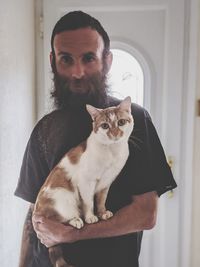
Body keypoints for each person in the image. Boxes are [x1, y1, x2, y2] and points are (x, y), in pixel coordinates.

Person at [15, 11, 177, 267]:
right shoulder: (44, 129)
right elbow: (32, 214)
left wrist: (73, 234)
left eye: (88, 58)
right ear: (53, 61)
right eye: (66, 59)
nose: (77, 72)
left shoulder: (133, 120)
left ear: (107, 61)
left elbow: (146, 214)